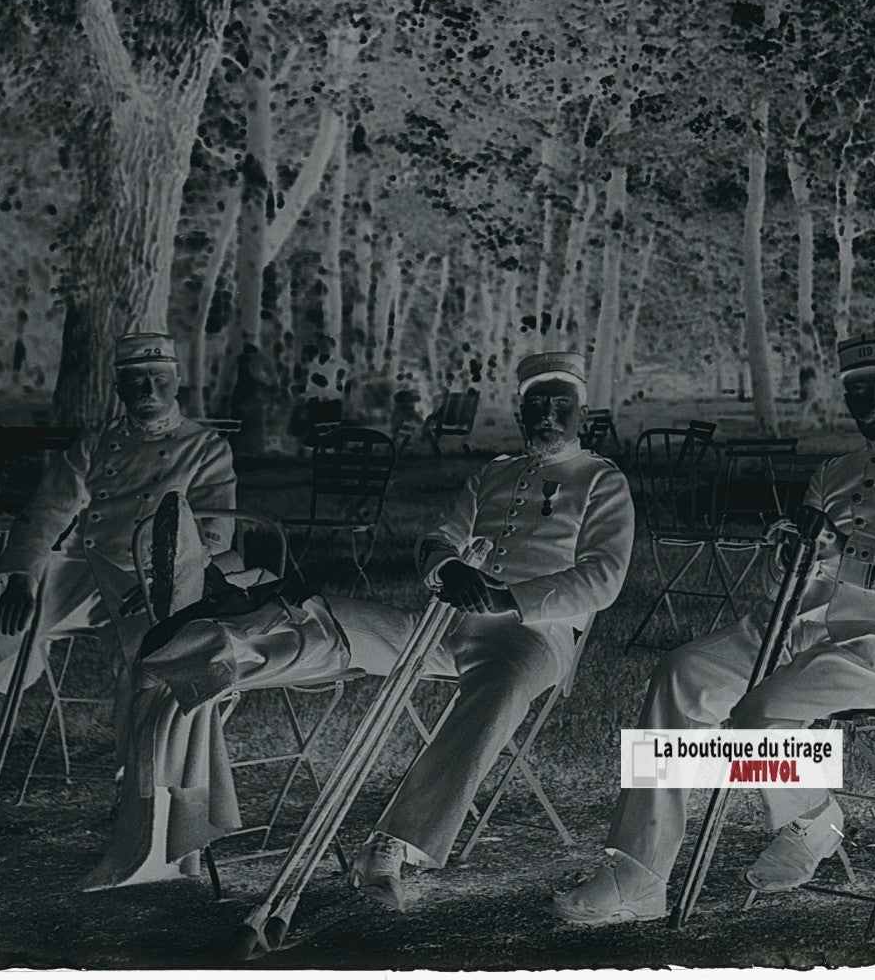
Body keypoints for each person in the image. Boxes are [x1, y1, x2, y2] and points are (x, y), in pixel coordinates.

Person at [87, 350, 635, 904]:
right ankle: (212, 651)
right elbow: (437, 540)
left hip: (530, 635)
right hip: (444, 622)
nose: (547, 415)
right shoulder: (492, 473)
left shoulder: (601, 481)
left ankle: (393, 845)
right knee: (327, 617)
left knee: (498, 690)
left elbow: (603, 577)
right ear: (521, 412)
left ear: (581, 415)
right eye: (537, 403)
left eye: (561, 404)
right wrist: (447, 568)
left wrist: (505, 597)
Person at [553, 330, 875, 924]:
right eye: (859, 391)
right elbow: (799, 572)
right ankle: (639, 875)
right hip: (790, 629)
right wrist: (792, 555)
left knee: (759, 713)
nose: (873, 403)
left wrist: (839, 551)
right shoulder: (833, 472)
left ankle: (813, 820)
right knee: (679, 674)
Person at [0, 333, 236, 829]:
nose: (149, 389)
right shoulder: (96, 442)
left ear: (177, 381)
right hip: (78, 569)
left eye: (159, 378)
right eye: (136, 379)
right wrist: (22, 575)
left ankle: (141, 799)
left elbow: (215, 530)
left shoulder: (205, 447)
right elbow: (48, 509)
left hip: (150, 581)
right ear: (118, 386)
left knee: (151, 662)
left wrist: (171, 581)